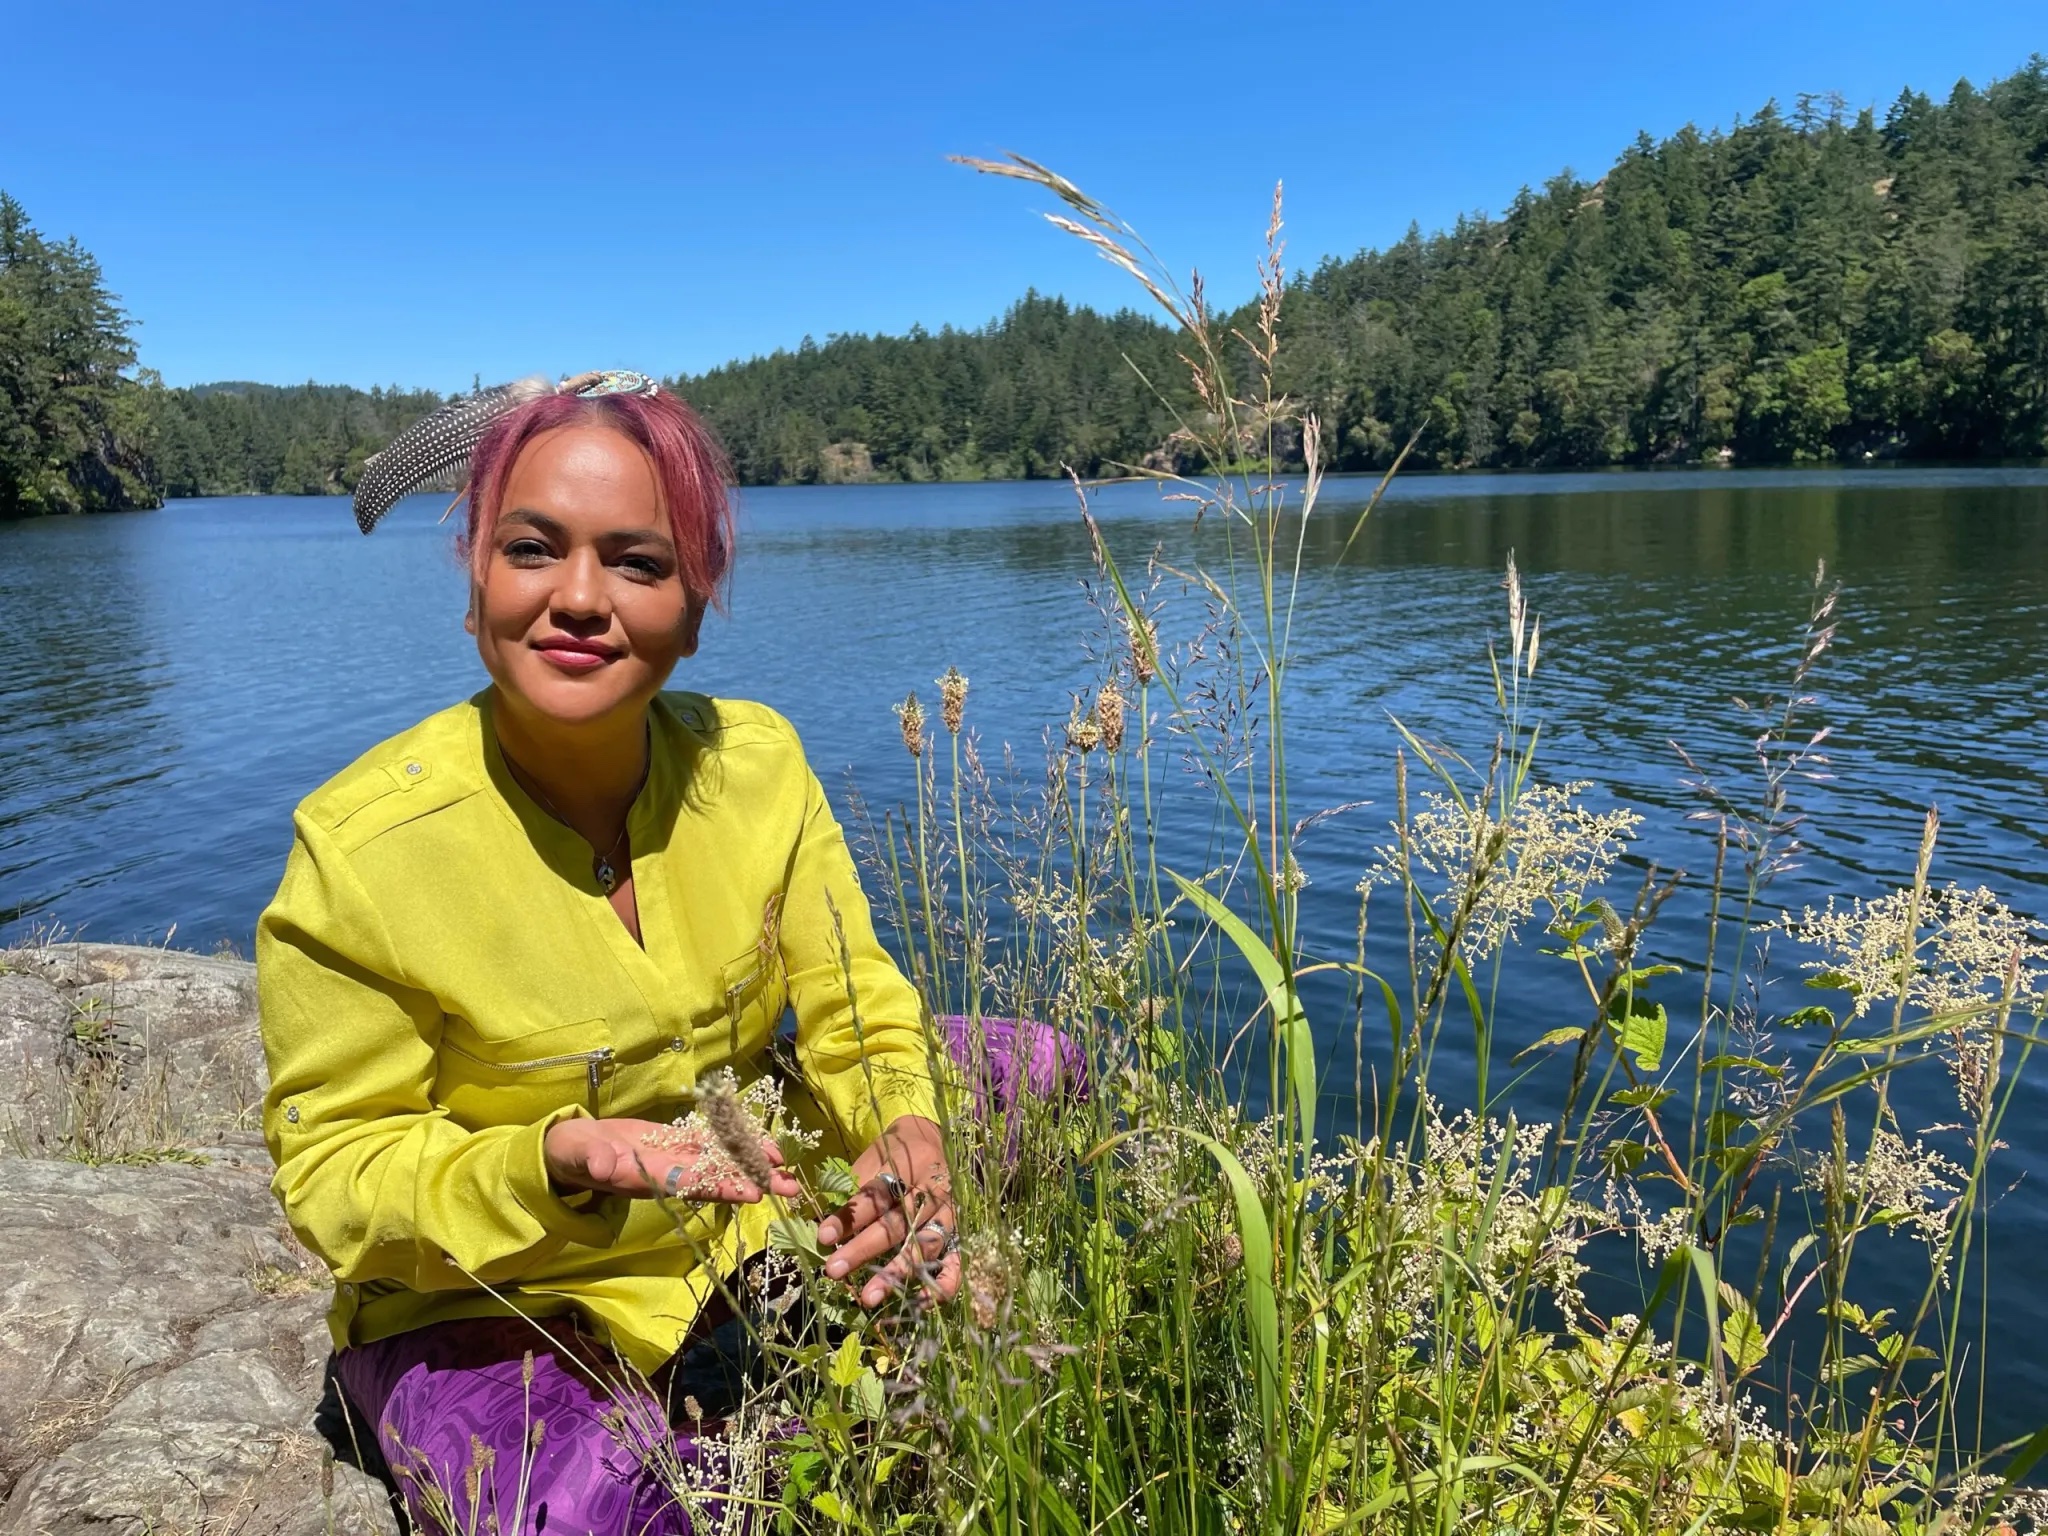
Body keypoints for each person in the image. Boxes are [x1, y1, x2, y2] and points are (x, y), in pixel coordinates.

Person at [258, 371, 955, 1532]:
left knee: (1031, 1068)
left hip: (746, 1223)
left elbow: (854, 1001)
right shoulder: (360, 851)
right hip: (493, 1301)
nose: (578, 598)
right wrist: (561, 1158)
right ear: (475, 587)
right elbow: (335, 1178)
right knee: (600, 1511)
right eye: (532, 549)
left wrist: (905, 1129)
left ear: (695, 608)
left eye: (637, 562)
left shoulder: (758, 765)